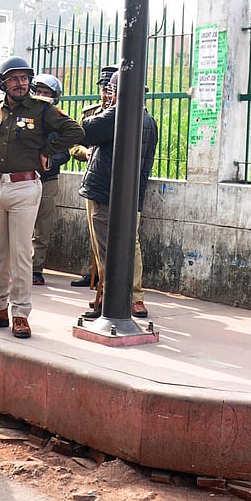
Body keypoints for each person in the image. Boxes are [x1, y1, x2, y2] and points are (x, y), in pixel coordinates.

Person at [0, 56, 83, 338]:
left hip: (25, 187)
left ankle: (20, 313)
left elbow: (75, 130)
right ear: (2, 83)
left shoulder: (42, 109)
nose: (21, 83)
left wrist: (49, 149)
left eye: (25, 78)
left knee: (21, 253)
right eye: (14, 79)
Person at [78, 69, 157, 320]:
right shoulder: (148, 120)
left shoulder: (117, 115)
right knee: (129, 247)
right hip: (131, 196)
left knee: (105, 252)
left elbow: (86, 131)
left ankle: (109, 301)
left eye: (111, 91)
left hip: (104, 193)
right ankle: (129, 297)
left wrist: (108, 107)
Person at [67, 64, 118, 287]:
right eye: (104, 90)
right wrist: (84, 152)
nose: (106, 95)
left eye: (111, 90)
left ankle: (113, 286)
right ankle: (95, 275)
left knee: (117, 239)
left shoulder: (129, 114)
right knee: (95, 233)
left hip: (117, 181)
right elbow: (73, 143)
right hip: (95, 177)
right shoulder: (91, 113)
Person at [30, 74, 70, 286]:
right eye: (39, 92)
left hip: (47, 180)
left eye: (47, 93)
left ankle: (36, 268)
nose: (42, 96)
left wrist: (50, 160)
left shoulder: (59, 120)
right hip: (23, 179)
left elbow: (67, 151)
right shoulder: (24, 115)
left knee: (42, 227)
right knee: (17, 227)